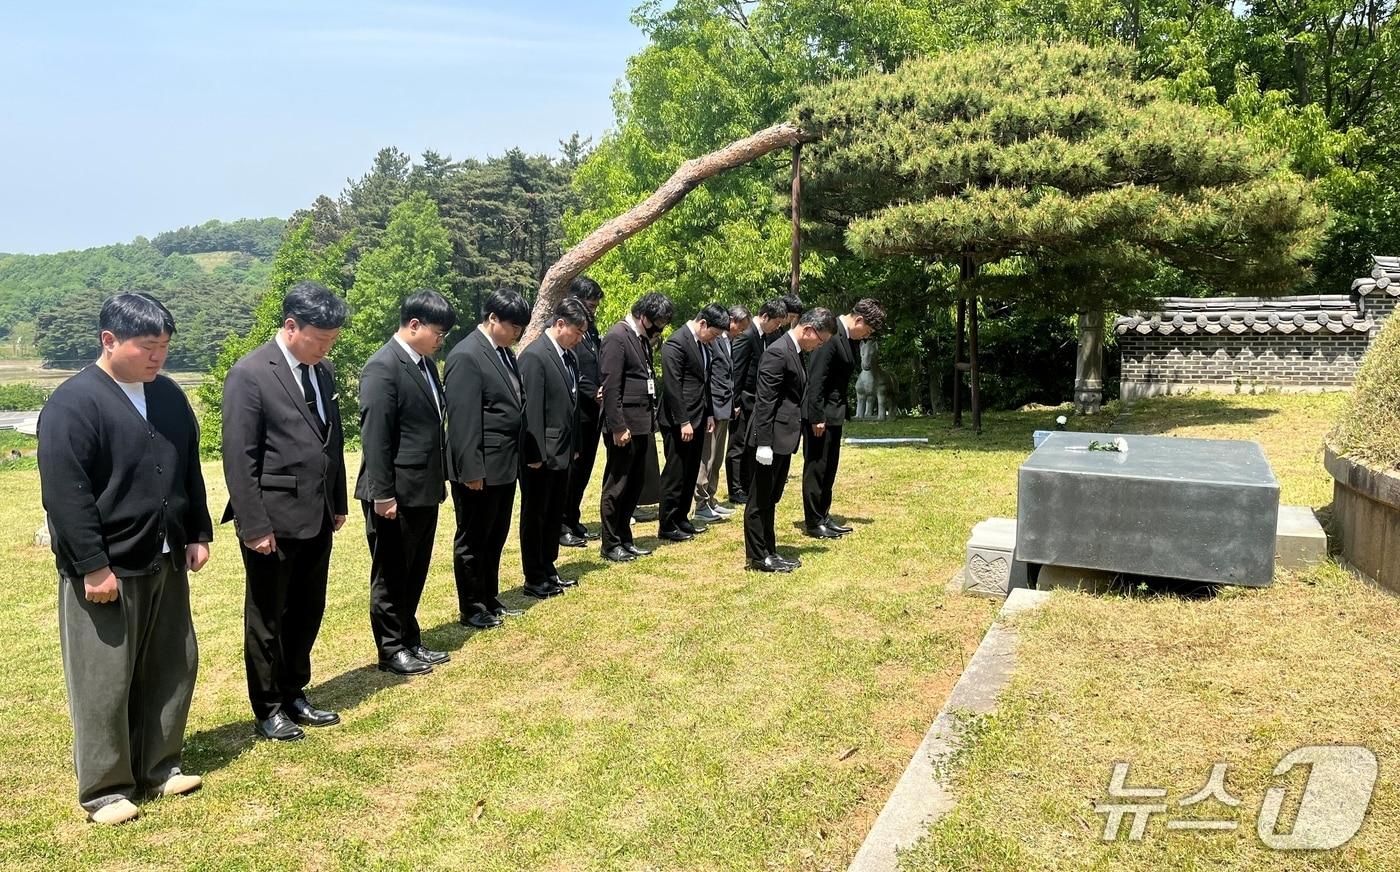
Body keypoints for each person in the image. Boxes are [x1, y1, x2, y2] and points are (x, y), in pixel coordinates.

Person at [39, 293, 212, 825]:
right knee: (103, 678)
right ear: (108, 341)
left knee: (172, 663)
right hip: (106, 567)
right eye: (147, 347)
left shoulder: (168, 397)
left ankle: (160, 766)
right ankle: (106, 788)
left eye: (164, 347)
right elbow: (66, 494)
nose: (157, 358)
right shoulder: (74, 403)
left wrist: (197, 531)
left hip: (164, 556)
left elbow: (188, 469)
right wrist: (93, 564)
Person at [222, 281, 349, 742]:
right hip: (272, 520)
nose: (326, 347)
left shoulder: (323, 370)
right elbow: (240, 458)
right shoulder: (250, 373)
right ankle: (269, 704)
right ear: (291, 326)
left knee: (307, 609)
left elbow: (329, 441)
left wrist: (337, 501)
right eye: (321, 338)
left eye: (332, 339)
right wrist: (254, 526)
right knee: (268, 615)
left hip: (316, 515)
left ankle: (296, 690)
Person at [354, 290, 457, 677]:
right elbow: (376, 437)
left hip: (424, 488)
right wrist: (383, 494)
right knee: (392, 573)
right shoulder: (383, 367)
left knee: (415, 569)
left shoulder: (426, 365)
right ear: (414, 325)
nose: (440, 339)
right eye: (437, 331)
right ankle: (391, 647)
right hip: (394, 491)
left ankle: (409, 637)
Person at [445, 288, 534, 629]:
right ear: (492, 318)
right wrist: (471, 470)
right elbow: (463, 420)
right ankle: (471, 605)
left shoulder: (504, 353)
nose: (517, 333)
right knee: (473, 537)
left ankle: (489, 595)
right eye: (513, 325)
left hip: (503, 465)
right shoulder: (467, 355)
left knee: (495, 534)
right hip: (478, 467)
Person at [744, 307, 836, 573]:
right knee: (759, 500)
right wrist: (763, 442)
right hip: (769, 439)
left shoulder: (793, 351)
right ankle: (758, 556)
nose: (818, 346)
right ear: (808, 330)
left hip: (782, 438)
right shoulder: (777, 352)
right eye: (819, 341)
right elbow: (765, 402)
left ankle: (768, 550)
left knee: (770, 498)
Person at [518, 298, 590, 593]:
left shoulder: (568, 356)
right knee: (536, 514)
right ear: (560, 324)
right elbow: (531, 408)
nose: (580, 338)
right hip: (541, 453)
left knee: (553, 514)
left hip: (563, 450)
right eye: (577, 331)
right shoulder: (535, 356)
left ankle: (549, 567)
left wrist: (575, 444)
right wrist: (533, 454)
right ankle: (534, 576)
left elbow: (572, 406)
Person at [597, 292, 673, 562]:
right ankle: (610, 543)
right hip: (624, 426)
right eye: (659, 322)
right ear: (643, 316)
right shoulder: (618, 336)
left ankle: (624, 538)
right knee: (618, 484)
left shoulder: (640, 338)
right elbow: (611, 385)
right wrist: (617, 426)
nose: (661, 328)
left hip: (642, 424)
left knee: (635, 484)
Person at [802, 299, 886, 538]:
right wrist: (816, 417)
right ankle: (813, 520)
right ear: (858, 320)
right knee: (816, 468)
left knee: (829, 468)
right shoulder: (830, 334)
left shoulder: (847, 338)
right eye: (867, 331)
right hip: (821, 415)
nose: (865, 336)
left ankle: (824, 514)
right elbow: (816, 379)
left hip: (835, 414)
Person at [658, 303, 729, 540]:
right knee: (676, 473)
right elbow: (672, 387)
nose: (714, 340)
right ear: (703, 323)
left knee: (690, 473)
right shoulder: (676, 343)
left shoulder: (702, 344)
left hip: (699, 417)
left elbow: (703, 381)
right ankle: (667, 524)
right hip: (680, 420)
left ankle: (681, 518)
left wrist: (709, 413)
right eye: (714, 334)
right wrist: (684, 421)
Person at [727, 298, 787, 504]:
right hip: (742, 399)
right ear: (764, 317)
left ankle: (745, 484)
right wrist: (733, 402)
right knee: (738, 445)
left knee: (748, 444)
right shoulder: (747, 335)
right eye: (776, 323)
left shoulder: (765, 336)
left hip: (755, 400)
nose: (778, 327)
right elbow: (737, 371)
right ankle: (735, 489)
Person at [560, 276, 604, 547]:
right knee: (572, 470)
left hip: (594, 411)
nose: (593, 311)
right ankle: (562, 522)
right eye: (590, 305)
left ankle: (573, 517)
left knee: (584, 469)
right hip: (580, 408)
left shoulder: (591, 331)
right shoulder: (565, 332)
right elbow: (576, 371)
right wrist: (592, 391)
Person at [694, 304, 747, 523]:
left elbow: (728, 375)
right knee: (707, 457)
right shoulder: (712, 340)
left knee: (716, 459)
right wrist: (711, 410)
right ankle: (701, 502)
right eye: (740, 327)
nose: (741, 331)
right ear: (731, 321)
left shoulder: (726, 341)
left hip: (725, 407)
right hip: (714, 407)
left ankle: (711, 498)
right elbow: (711, 377)